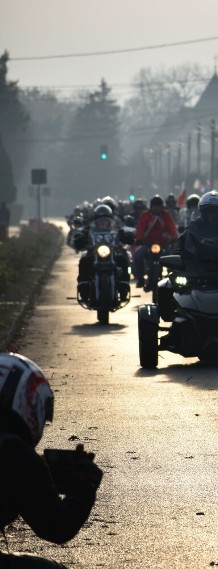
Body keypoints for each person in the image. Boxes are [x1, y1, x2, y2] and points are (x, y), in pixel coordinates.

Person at [0, 353, 103, 569]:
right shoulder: (14, 453)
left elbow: (12, 484)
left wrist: (46, 477)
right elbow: (56, 527)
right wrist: (85, 484)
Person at [75, 204, 131, 302]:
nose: (103, 222)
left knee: (123, 259)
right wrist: (82, 241)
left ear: (110, 221)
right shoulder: (89, 230)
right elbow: (80, 237)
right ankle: (83, 287)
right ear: (95, 221)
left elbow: (126, 236)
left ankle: (124, 287)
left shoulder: (117, 230)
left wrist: (125, 239)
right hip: (94, 254)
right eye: (100, 220)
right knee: (84, 260)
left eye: (105, 220)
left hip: (112, 253)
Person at [133, 195, 178, 288]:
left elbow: (172, 228)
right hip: (148, 245)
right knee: (137, 256)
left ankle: (173, 279)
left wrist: (175, 239)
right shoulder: (145, 215)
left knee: (174, 259)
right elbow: (140, 228)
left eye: (158, 206)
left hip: (164, 245)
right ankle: (140, 279)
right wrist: (138, 239)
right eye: (154, 206)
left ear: (162, 207)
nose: (156, 208)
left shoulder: (166, 215)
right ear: (151, 207)